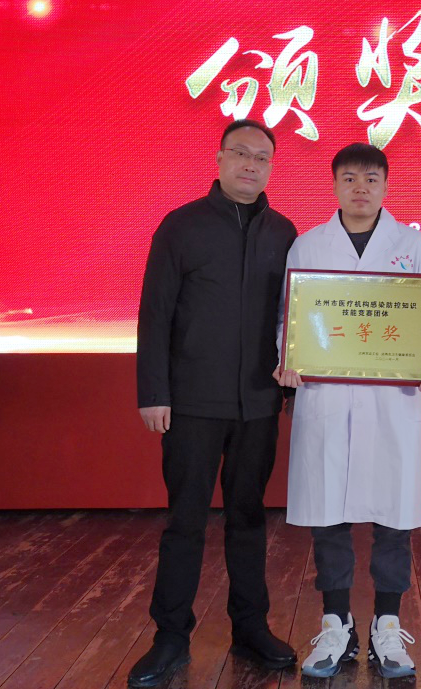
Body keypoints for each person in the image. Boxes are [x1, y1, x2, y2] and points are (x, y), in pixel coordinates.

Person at [131, 119, 298, 688]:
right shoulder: (181, 226)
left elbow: (295, 318)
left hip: (259, 403)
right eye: (241, 154)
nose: (251, 164)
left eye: (262, 158)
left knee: (248, 518)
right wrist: (154, 393)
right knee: (185, 520)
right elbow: (155, 314)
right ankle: (170, 636)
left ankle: (250, 628)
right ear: (220, 158)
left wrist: (291, 386)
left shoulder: (284, 232)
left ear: (271, 168)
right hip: (192, 404)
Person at [274, 142, 421, 680]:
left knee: (393, 518)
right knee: (329, 515)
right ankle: (337, 624)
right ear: (334, 185)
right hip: (327, 399)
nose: (360, 188)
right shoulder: (307, 245)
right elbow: (287, 320)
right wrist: (288, 357)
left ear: (386, 186)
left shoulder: (414, 246)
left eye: (371, 179)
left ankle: (387, 625)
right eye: (349, 178)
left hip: (393, 404)